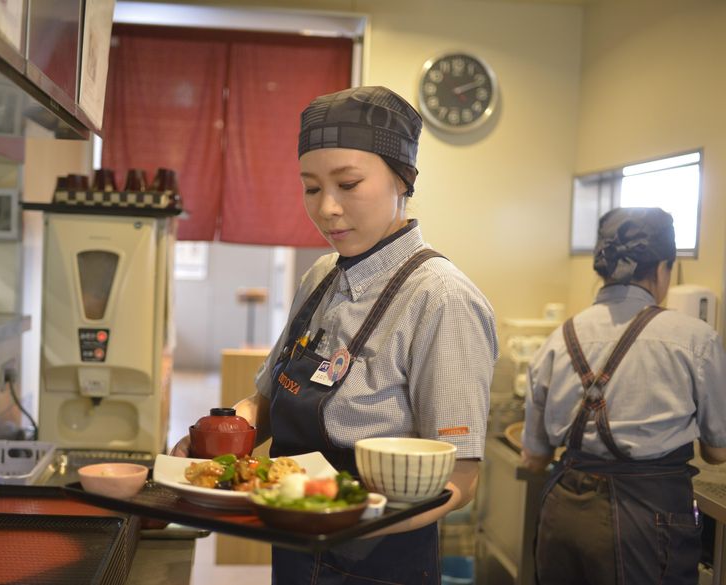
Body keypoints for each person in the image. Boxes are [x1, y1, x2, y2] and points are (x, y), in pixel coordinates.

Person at [173, 86, 498, 584]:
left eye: (347, 184)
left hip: (379, 559)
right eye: (310, 187)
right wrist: (213, 445)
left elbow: (460, 478)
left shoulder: (440, 298)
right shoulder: (322, 275)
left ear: (403, 180)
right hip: (295, 543)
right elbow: (266, 400)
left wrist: (347, 520)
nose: (326, 208)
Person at [521, 207, 726, 585]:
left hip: (564, 514)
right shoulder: (695, 340)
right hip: (648, 521)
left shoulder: (557, 340)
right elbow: (718, 451)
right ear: (663, 268)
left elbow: (534, 458)